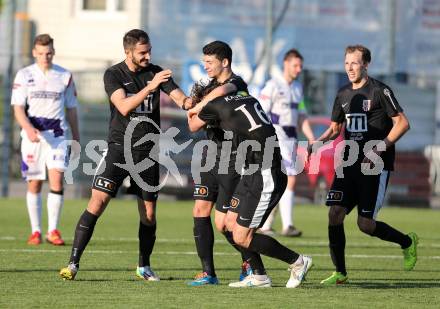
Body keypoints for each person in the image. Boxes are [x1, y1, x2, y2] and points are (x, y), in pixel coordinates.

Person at [59, 29, 191, 281]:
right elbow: (123, 105)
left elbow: (179, 98)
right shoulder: (114, 74)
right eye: (142, 52)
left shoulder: (156, 71)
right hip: (119, 149)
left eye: (149, 50)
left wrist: (192, 101)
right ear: (127, 52)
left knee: (149, 214)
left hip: (148, 153)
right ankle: (73, 264)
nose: (147, 56)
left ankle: (144, 266)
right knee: (97, 203)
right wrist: (151, 87)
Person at [308, 45, 418, 285]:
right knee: (335, 213)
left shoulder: (380, 90)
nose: (349, 68)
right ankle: (340, 272)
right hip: (348, 163)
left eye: (354, 63)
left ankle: (407, 242)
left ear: (366, 64)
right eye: (346, 63)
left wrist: (379, 148)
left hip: (374, 166)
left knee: (365, 225)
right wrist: (319, 142)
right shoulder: (343, 94)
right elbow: (336, 128)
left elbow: (402, 124)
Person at [188, 91, 312, 288]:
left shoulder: (216, 104)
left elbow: (193, 124)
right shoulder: (245, 96)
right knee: (229, 223)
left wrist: (195, 107)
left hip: (265, 174)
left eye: (210, 62)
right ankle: (259, 276)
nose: (207, 67)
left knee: (241, 236)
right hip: (250, 170)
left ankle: (297, 261)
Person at [187, 41, 259, 286]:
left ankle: (251, 266)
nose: (205, 66)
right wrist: (198, 105)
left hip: (233, 159)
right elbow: (193, 125)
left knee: (224, 224)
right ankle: (208, 273)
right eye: (204, 61)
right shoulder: (208, 88)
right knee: (199, 210)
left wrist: (200, 105)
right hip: (210, 156)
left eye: (210, 62)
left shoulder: (238, 83)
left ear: (224, 62)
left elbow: (222, 92)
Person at [11, 34, 80, 246]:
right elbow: (18, 109)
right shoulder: (24, 75)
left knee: (57, 180)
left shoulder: (65, 76)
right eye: (41, 53)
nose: (45, 57)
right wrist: (28, 128)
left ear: (54, 52)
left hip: (58, 135)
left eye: (48, 52)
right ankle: (36, 231)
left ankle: (53, 230)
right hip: (33, 137)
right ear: (34, 53)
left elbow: (71, 109)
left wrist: (76, 137)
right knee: (35, 184)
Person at [259, 48, 315, 237]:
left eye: (301, 66)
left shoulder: (297, 88)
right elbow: (261, 113)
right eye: (295, 65)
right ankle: (287, 225)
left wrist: (311, 138)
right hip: (276, 137)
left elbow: (301, 116)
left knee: (279, 182)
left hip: (291, 139)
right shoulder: (272, 85)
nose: (299, 69)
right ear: (286, 64)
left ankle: (265, 225)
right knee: (289, 179)